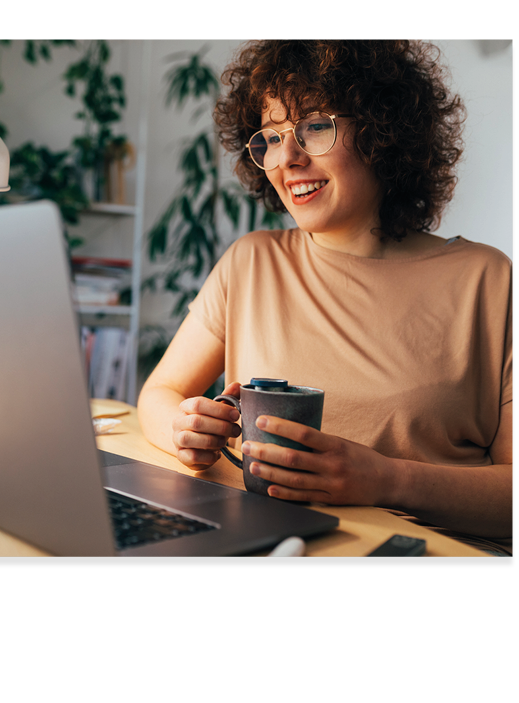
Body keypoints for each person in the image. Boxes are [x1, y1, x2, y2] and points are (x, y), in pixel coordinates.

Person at [137, 40, 514, 555]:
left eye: (314, 127)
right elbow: (159, 395)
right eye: (270, 137)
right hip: (264, 545)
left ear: (383, 132)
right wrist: (183, 428)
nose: (286, 158)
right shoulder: (251, 262)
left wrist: (385, 479)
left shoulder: (488, 280)